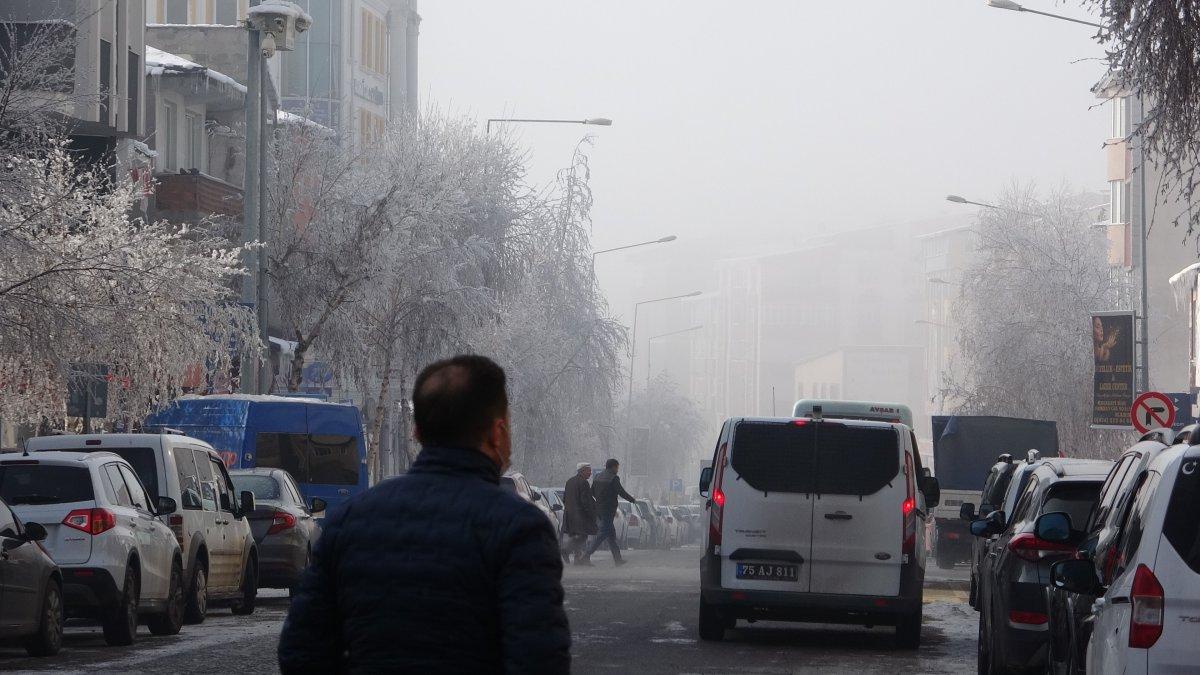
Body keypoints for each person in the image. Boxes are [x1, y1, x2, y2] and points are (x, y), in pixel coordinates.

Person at [278, 355, 570, 674]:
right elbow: (537, 659)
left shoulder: (349, 521)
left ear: (417, 432)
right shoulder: (521, 529)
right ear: (497, 433)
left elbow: (302, 652)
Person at [582, 458, 637, 566]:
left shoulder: (597, 476)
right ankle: (586, 555)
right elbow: (621, 492)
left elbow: (592, 491)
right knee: (602, 534)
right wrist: (632, 500)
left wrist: (600, 499)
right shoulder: (613, 478)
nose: (617, 469)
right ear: (613, 467)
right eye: (617, 467)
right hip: (608, 510)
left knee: (611, 535)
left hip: (599, 509)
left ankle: (618, 559)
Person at [562, 462, 598, 565]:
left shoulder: (569, 481)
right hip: (580, 516)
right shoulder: (583, 483)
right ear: (582, 471)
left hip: (570, 515)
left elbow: (564, 499)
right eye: (588, 470)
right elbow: (585, 501)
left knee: (577, 536)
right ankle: (566, 550)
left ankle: (578, 560)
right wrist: (591, 513)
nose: (590, 473)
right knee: (583, 536)